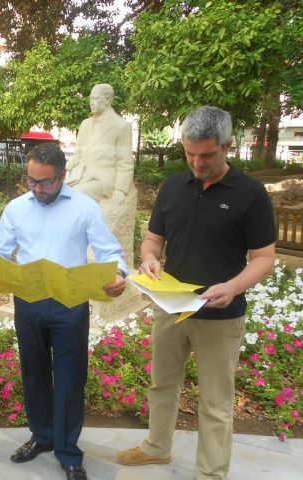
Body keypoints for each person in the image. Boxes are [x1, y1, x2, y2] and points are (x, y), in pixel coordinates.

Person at [116, 106, 276, 480]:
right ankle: (156, 448)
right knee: (162, 384)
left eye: (207, 155)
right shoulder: (172, 187)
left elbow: (264, 258)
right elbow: (153, 239)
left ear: (228, 146)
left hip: (221, 315)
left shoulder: (251, 194)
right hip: (171, 308)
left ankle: (211, 473)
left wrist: (233, 287)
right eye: (190, 153)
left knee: (216, 400)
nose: (197, 162)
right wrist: (149, 258)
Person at [0, 142, 128, 480]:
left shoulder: (85, 207)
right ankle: (41, 435)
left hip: (70, 303)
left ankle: (68, 451)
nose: (38, 188)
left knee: (70, 377)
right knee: (34, 372)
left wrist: (118, 274)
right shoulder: (17, 208)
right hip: (28, 301)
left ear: (62, 176)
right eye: (31, 181)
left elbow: (109, 251)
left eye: (45, 182)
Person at [66, 83, 133, 205]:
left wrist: (120, 189)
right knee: (56, 192)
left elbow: (125, 162)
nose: (91, 103)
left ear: (107, 100)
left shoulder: (121, 126)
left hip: (102, 179)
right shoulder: (85, 124)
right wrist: (66, 169)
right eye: (90, 98)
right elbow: (77, 154)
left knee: (77, 195)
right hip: (79, 175)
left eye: (95, 98)